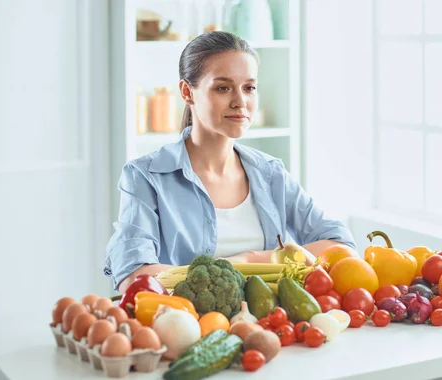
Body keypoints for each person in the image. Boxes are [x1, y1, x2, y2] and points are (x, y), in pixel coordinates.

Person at [104, 31, 356, 294]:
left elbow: (342, 248)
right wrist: (271, 261)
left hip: (273, 325)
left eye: (249, 87)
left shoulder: (270, 173)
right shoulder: (146, 177)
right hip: (186, 326)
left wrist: (249, 258)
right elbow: (135, 278)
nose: (240, 102)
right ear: (187, 92)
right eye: (223, 88)